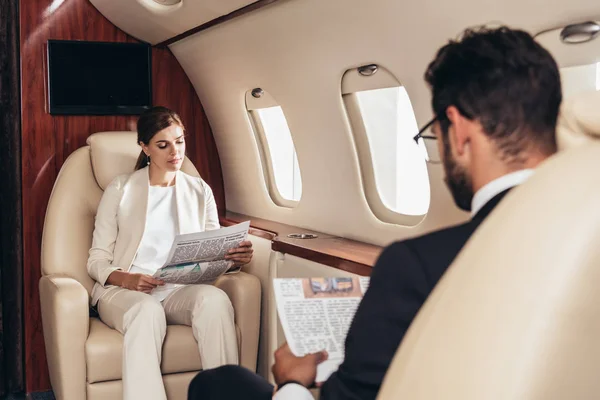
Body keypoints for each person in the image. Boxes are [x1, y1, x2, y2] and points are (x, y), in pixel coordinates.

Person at [187, 25, 562, 400]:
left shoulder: (417, 266)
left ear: (460, 131)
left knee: (216, 384)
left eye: (435, 133)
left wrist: (292, 383)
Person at [86, 106, 254, 400]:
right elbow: (96, 259)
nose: (175, 151)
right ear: (145, 148)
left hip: (177, 289)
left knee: (215, 300)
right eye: (163, 145)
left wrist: (233, 258)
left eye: (179, 141)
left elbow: (211, 252)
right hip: (125, 292)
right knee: (146, 310)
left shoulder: (199, 190)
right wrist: (128, 279)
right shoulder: (120, 189)